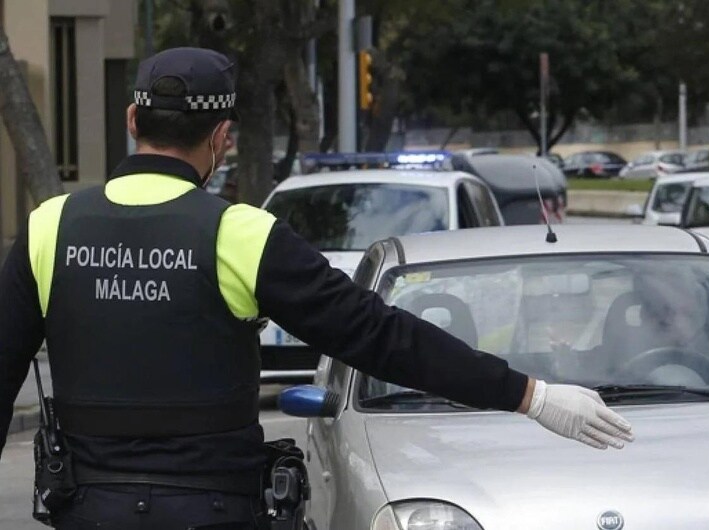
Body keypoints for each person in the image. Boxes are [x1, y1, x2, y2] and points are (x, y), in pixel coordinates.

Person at [0, 47, 633, 529]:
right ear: (221, 139)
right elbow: (381, 338)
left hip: (88, 509)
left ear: (133, 118)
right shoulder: (239, 234)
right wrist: (530, 395)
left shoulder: (48, 228)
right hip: (214, 510)